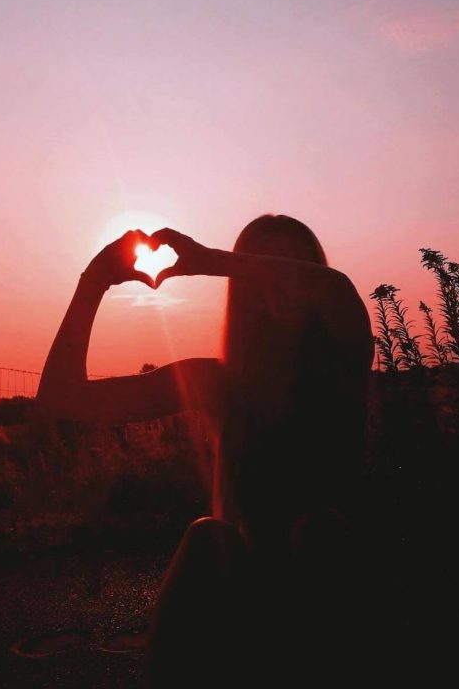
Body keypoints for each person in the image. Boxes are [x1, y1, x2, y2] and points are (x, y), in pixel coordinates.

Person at [36, 215, 374, 680]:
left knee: (319, 533)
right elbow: (62, 400)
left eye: (290, 268)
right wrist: (92, 283)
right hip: (241, 591)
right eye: (263, 268)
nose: (279, 282)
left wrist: (213, 261)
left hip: (332, 593)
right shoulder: (217, 380)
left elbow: (337, 290)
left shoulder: (346, 359)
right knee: (207, 537)